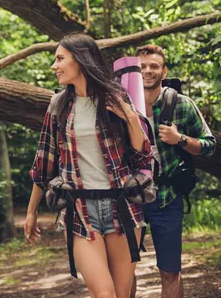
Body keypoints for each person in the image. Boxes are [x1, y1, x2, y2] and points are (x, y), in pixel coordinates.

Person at [24, 34, 152, 298]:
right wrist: (31, 211)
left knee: (121, 293)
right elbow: (44, 163)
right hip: (79, 210)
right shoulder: (58, 104)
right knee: (104, 294)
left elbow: (142, 156)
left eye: (60, 58)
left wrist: (129, 116)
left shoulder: (116, 97)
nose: (54, 65)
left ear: (80, 61)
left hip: (122, 206)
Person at [135, 44, 216, 298]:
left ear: (164, 70)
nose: (148, 71)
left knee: (169, 272)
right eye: (142, 66)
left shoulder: (181, 104)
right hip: (128, 199)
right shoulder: (121, 105)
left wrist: (179, 139)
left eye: (154, 66)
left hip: (166, 197)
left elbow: (209, 146)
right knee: (123, 270)